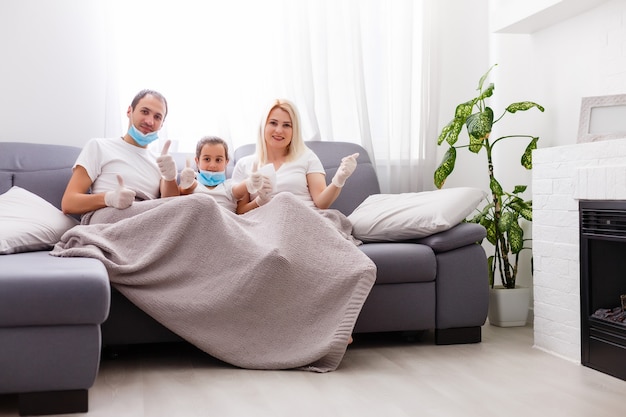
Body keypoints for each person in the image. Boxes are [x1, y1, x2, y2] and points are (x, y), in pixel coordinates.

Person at [61, 89, 180, 215]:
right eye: (145, 112)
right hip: (109, 219)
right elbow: (69, 203)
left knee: (199, 202)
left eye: (157, 117)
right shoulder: (99, 146)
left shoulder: (162, 161)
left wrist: (170, 178)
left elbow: (172, 210)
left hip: (148, 221)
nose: (150, 121)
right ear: (130, 111)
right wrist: (108, 199)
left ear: (161, 124)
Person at [232, 98, 359, 214]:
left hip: (305, 220)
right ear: (263, 126)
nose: (279, 130)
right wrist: (260, 201)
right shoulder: (244, 165)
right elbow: (239, 214)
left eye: (287, 125)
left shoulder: (307, 157)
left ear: (294, 130)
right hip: (265, 227)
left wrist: (339, 179)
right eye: (273, 123)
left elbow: (321, 203)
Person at [178, 136, 271, 212]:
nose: (212, 165)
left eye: (218, 160)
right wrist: (187, 182)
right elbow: (185, 189)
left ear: (226, 162)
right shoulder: (192, 183)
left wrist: (250, 183)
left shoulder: (229, 186)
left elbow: (238, 190)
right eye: (207, 159)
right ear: (197, 161)